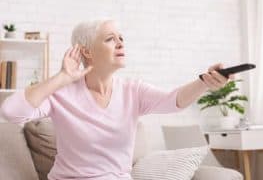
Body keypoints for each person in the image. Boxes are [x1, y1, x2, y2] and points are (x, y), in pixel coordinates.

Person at [1, 18, 234, 180]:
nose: (121, 42)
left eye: (121, 37)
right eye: (110, 39)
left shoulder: (133, 90)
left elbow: (174, 101)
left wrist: (204, 82)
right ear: (87, 51)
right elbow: (11, 111)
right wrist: (61, 77)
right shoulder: (61, 93)